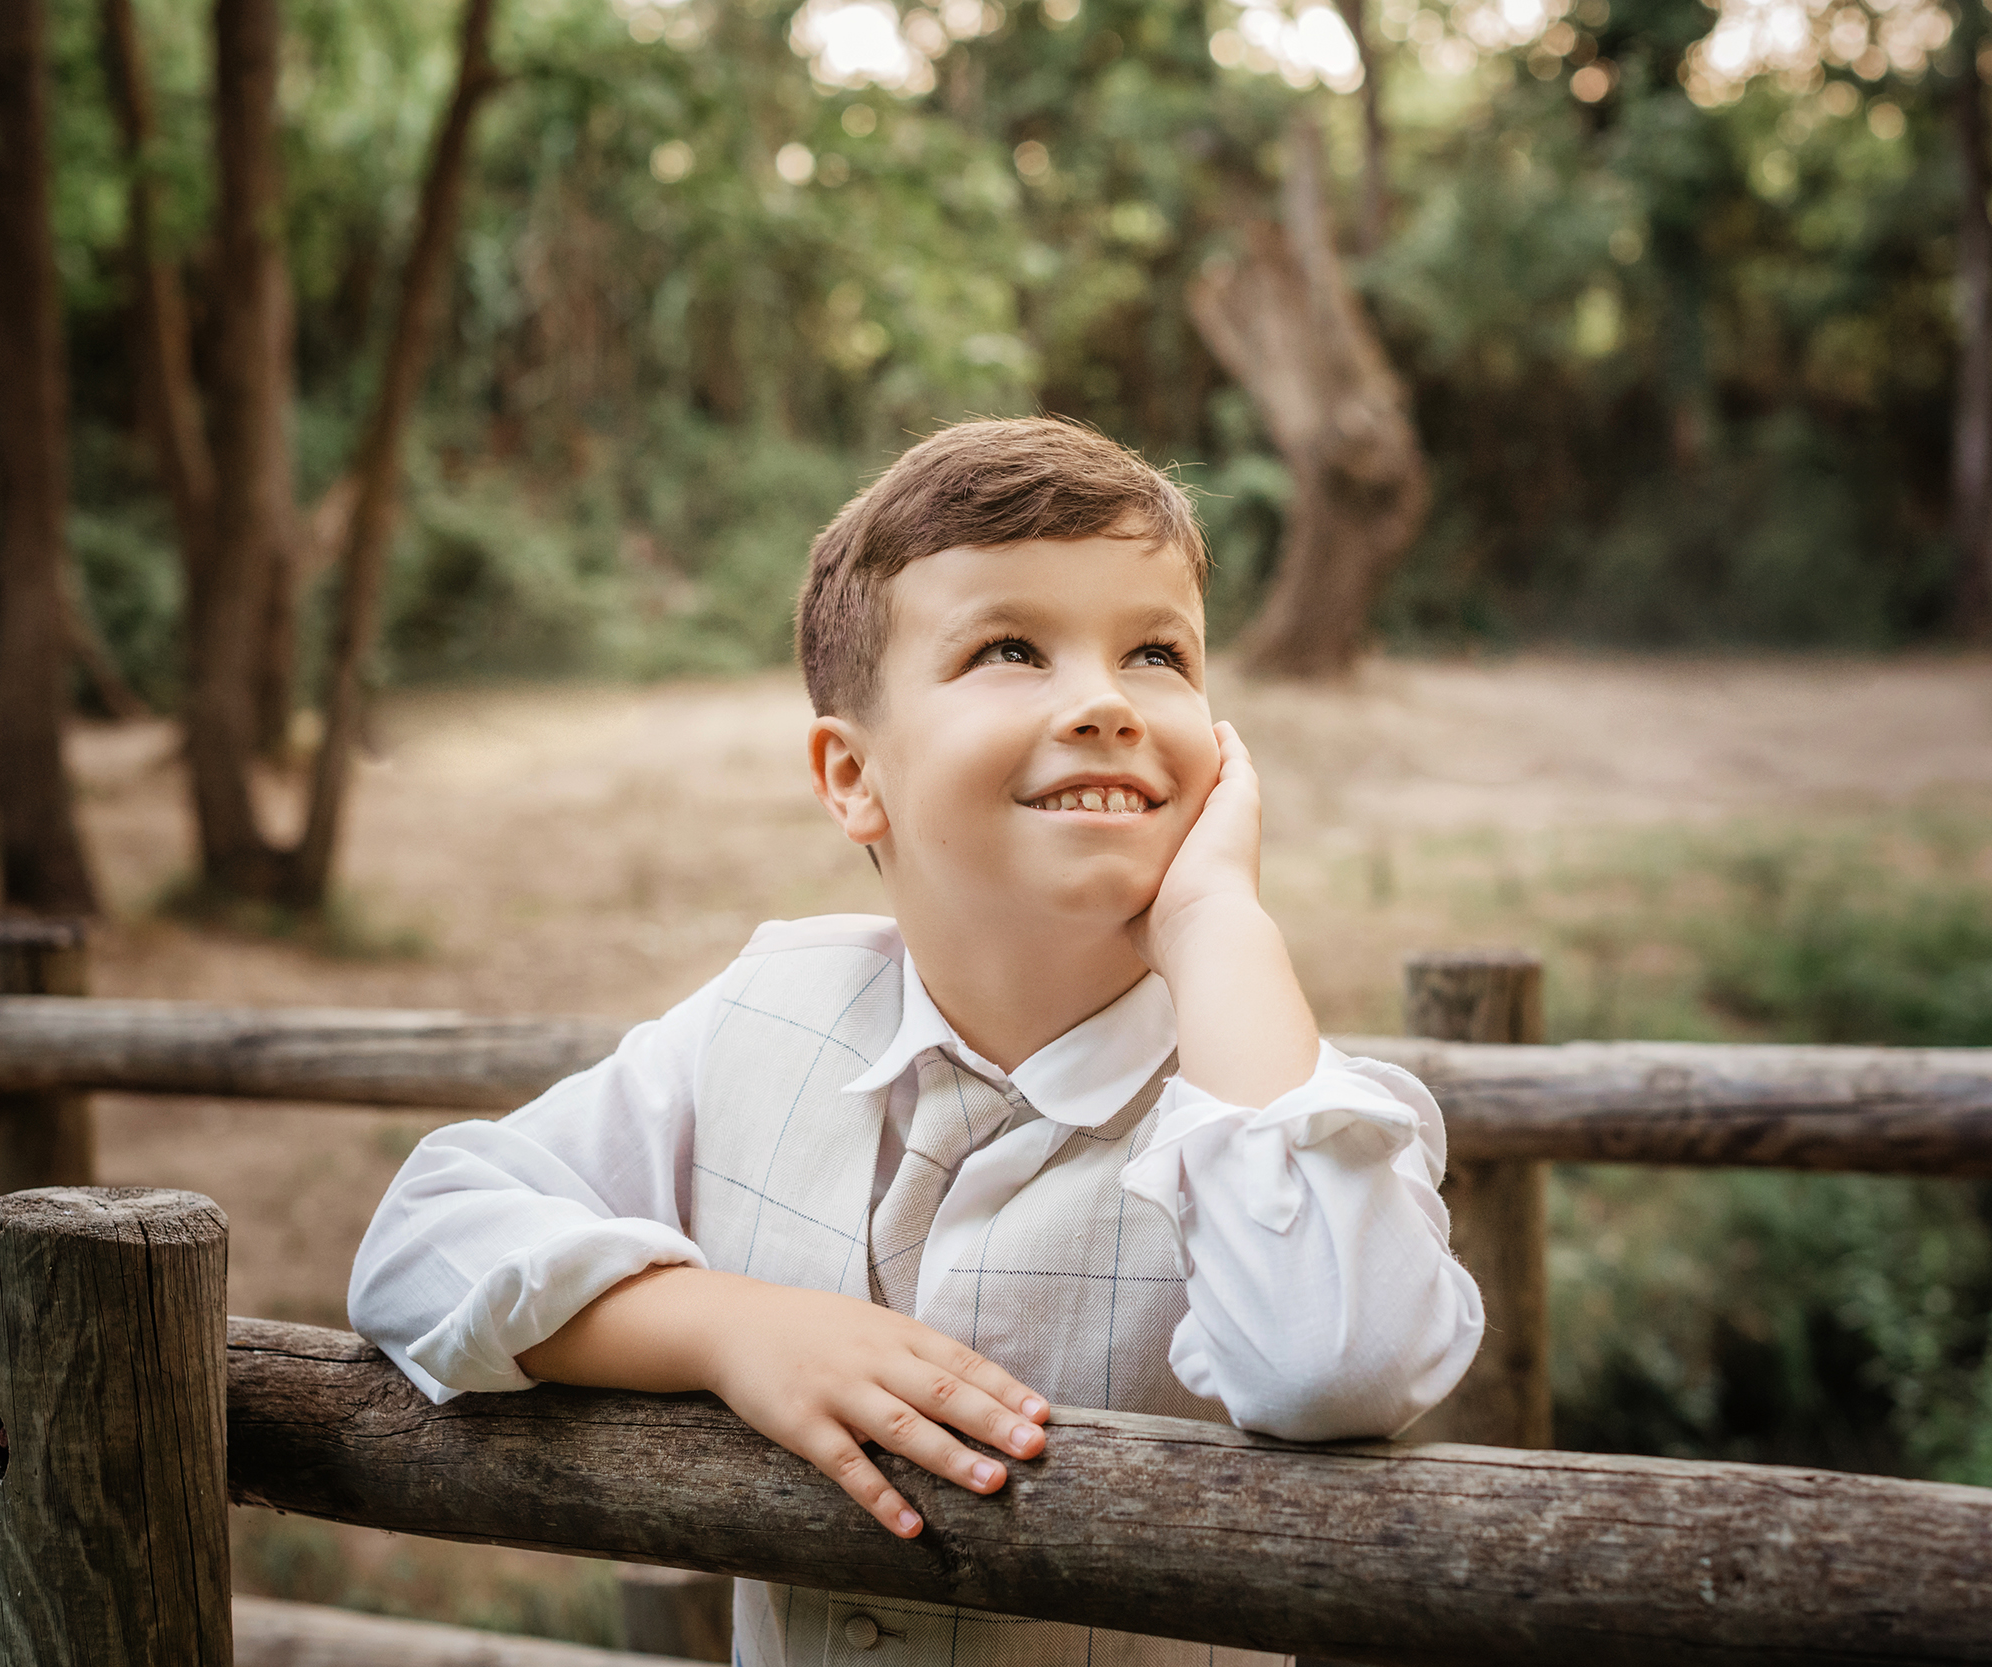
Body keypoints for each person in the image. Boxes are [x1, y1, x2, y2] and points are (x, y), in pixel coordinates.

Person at [349, 416, 1484, 1665]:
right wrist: (722, 1327)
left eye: (1156, 651)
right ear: (852, 775)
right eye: (1011, 646)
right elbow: (420, 1231)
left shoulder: (1280, 1103)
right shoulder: (756, 1020)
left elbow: (1335, 1362)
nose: (1104, 699)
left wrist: (1216, 921)